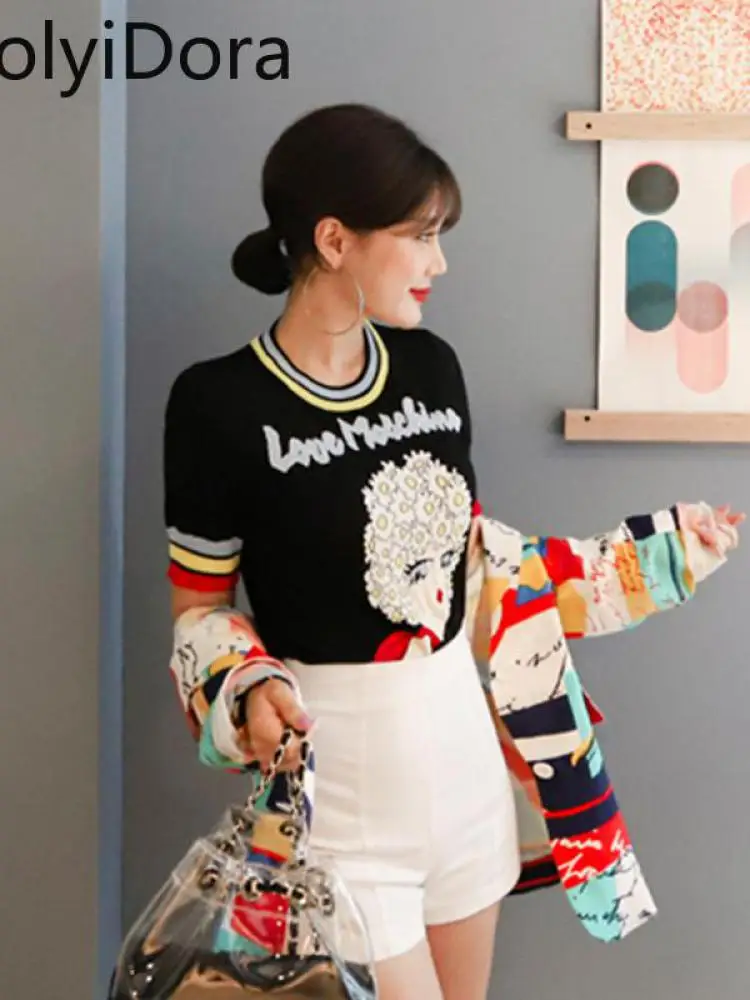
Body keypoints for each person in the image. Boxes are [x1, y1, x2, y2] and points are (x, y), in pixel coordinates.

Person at [162, 103, 744, 1000]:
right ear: (334, 240)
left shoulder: (432, 369)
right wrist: (246, 683)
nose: (440, 263)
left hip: (466, 775)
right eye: (422, 236)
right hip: (339, 800)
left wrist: (659, 557)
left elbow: (482, 576)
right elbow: (199, 610)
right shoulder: (216, 404)